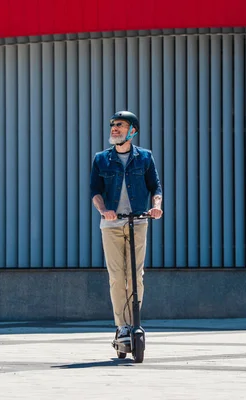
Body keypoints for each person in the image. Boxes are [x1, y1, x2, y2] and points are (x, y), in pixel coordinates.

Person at [89, 110, 163, 345]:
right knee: (117, 277)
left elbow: (156, 188)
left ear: (133, 130)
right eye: (112, 125)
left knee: (136, 276)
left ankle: (135, 323)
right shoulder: (101, 158)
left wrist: (156, 207)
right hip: (110, 225)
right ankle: (122, 327)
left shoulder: (145, 157)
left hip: (138, 222)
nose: (114, 128)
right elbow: (95, 192)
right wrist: (104, 211)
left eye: (119, 125)